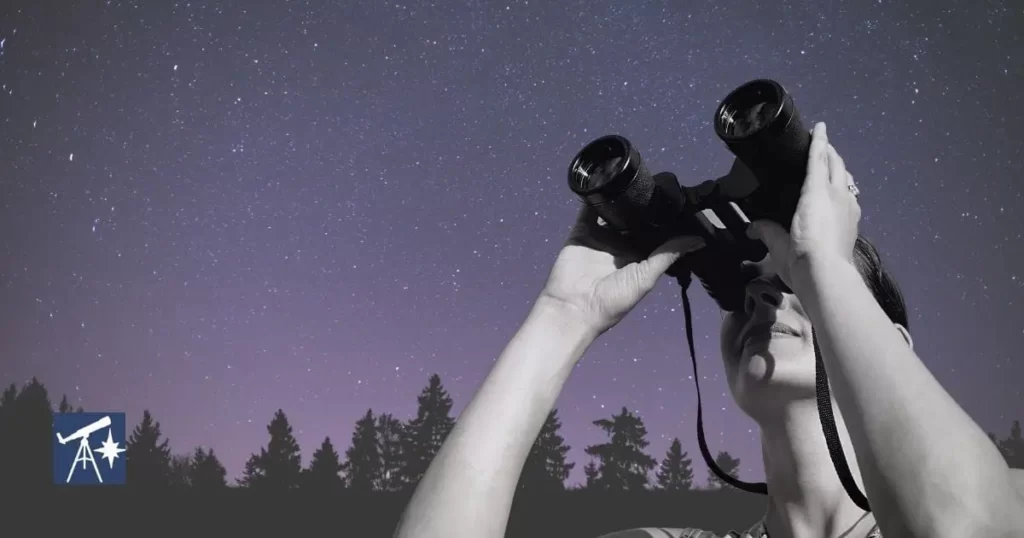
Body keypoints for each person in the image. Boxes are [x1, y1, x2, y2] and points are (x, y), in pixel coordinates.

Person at [392, 123, 1024, 538]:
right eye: (742, 291)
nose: (762, 297)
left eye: (800, 288)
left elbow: (962, 526)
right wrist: (561, 318)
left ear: (894, 341)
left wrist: (822, 262)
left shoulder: (1007, 494)